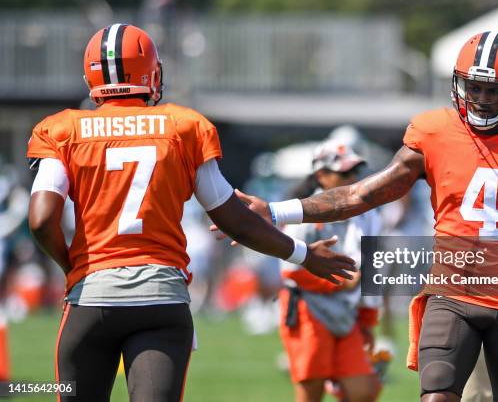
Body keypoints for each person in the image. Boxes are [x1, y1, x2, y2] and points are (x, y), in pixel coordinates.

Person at [215, 32, 498, 401]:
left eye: (493, 90)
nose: (481, 98)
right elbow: (362, 194)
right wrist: (276, 211)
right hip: (451, 294)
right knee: (436, 395)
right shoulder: (434, 131)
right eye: (474, 87)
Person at [26, 23, 354, 402]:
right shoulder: (183, 127)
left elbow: (40, 220)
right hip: (161, 298)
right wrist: (304, 254)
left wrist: (73, 268)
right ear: (151, 71)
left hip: (91, 298)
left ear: (91, 77)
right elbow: (233, 218)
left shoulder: (62, 130)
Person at [279, 139, 381, 402]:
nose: (353, 178)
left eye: (355, 172)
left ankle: (335, 379)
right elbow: (289, 271)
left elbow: (373, 269)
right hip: (308, 310)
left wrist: (368, 320)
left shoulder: (368, 213)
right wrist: (338, 282)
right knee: (310, 391)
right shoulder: (303, 212)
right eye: (344, 173)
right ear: (322, 176)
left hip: (347, 313)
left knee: (364, 391)